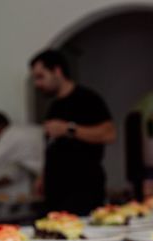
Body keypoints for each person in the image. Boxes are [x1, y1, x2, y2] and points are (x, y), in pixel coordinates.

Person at [29, 49, 116, 214]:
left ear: (57, 71)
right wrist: (43, 176)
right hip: (55, 194)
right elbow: (51, 147)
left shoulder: (88, 99)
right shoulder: (53, 107)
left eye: (40, 76)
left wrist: (68, 128)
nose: (37, 84)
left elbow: (109, 134)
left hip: (83, 191)